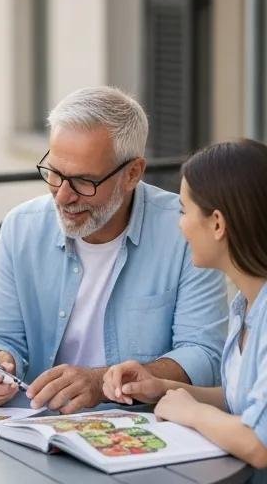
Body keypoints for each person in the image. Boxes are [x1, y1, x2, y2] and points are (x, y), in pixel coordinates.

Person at [0, 86, 227, 414]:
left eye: (83, 182)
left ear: (132, 173)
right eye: (55, 174)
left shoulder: (186, 231)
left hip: (146, 435)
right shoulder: (22, 226)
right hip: (37, 431)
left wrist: (101, 382)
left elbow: (204, 355)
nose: (62, 196)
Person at [102, 139, 267, 469]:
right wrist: (161, 387)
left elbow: (259, 442)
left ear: (217, 223)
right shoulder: (244, 305)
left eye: (184, 211)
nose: (180, 224)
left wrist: (192, 412)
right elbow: (246, 401)